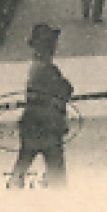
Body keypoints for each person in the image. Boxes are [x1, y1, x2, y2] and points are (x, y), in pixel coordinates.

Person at [7, 24, 73, 188]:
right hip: (47, 125)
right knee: (56, 172)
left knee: (23, 163)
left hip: (32, 124)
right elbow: (65, 89)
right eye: (51, 44)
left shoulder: (37, 66)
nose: (53, 48)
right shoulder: (46, 69)